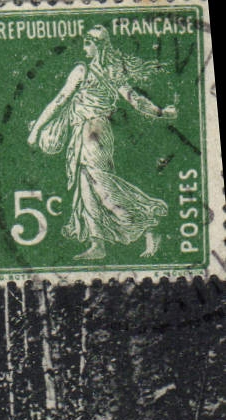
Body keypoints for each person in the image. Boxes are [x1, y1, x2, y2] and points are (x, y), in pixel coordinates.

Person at [27, 25, 179, 260]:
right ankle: (98, 244)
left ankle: (149, 222)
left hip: (91, 132)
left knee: (100, 184)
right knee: (86, 187)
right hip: (92, 132)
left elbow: (58, 102)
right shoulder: (113, 73)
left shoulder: (83, 70)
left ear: (97, 45)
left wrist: (36, 130)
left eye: (88, 43)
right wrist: (161, 112)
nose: (84, 48)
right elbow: (136, 101)